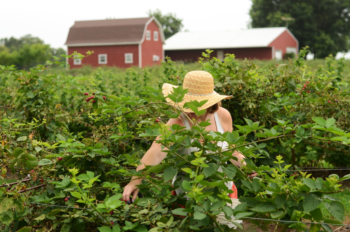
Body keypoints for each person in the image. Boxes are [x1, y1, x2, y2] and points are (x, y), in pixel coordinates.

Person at [123, 70, 251, 227]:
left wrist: (246, 166)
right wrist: (135, 181)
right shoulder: (177, 123)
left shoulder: (223, 116)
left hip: (224, 193)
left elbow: (231, 149)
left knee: (227, 229)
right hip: (189, 197)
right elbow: (155, 153)